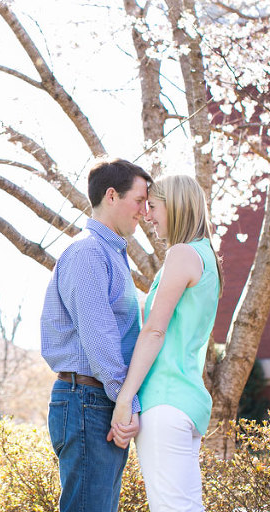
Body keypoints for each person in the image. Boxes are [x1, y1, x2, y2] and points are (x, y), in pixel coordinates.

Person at [40, 157, 152, 512]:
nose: (144, 211)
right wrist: (127, 402)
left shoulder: (112, 254)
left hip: (96, 399)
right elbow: (99, 339)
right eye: (139, 200)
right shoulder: (89, 252)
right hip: (88, 399)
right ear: (111, 196)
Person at [110, 174, 223, 511]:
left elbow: (154, 331)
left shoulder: (182, 254)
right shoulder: (206, 257)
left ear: (175, 206)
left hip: (165, 401)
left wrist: (125, 399)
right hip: (186, 402)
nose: (147, 214)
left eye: (154, 206)